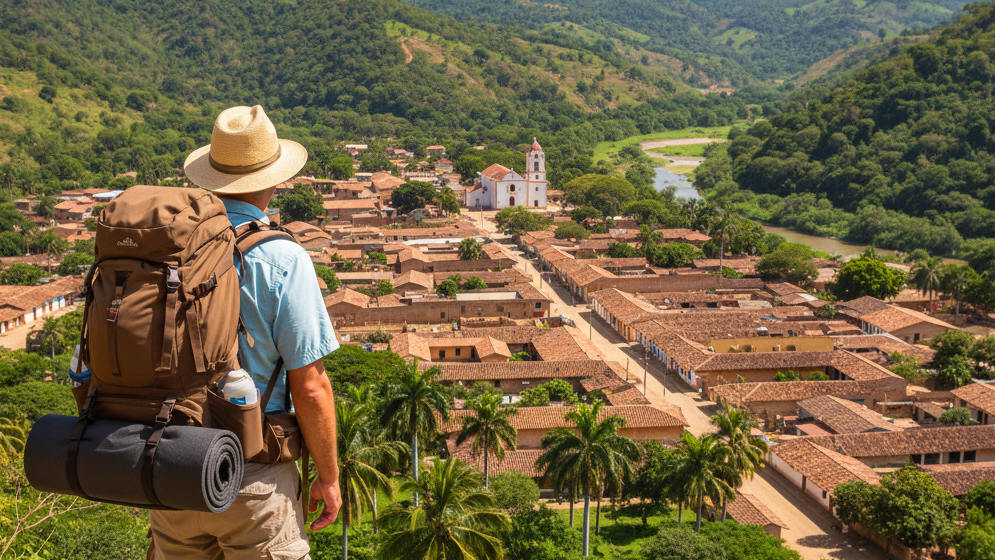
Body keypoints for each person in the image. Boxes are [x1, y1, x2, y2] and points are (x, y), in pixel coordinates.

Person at [148, 105, 342, 559]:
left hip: (170, 470)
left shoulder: (167, 250)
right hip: (253, 477)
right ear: (275, 179)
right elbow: (310, 387)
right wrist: (329, 477)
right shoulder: (282, 258)